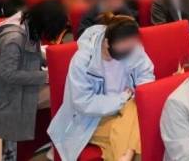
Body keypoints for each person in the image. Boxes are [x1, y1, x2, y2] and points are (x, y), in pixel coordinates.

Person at [48, 13, 155, 161]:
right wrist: (122, 99)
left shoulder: (132, 48)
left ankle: (126, 156)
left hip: (126, 109)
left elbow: (146, 76)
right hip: (91, 119)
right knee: (133, 132)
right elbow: (83, 102)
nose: (128, 52)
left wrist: (136, 95)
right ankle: (128, 154)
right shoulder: (83, 60)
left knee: (132, 112)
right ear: (107, 43)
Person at [0, 0, 69, 160]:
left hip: (15, 85)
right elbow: (8, 74)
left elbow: (32, 54)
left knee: (63, 89)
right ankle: (59, 142)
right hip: (6, 94)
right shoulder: (14, 39)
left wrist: (52, 62)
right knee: (63, 93)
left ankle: (56, 141)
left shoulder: (28, 26)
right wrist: (46, 76)